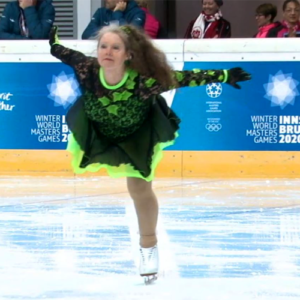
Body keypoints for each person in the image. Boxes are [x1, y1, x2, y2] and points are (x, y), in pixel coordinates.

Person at [49, 24, 250, 281]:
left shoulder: (144, 83)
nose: (107, 52)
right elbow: (61, 51)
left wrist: (223, 76)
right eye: (103, 46)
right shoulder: (86, 68)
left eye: (115, 47)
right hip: (99, 132)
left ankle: (148, 247)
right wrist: (53, 42)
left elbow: (185, 78)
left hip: (137, 137)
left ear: (128, 54)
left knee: (139, 189)